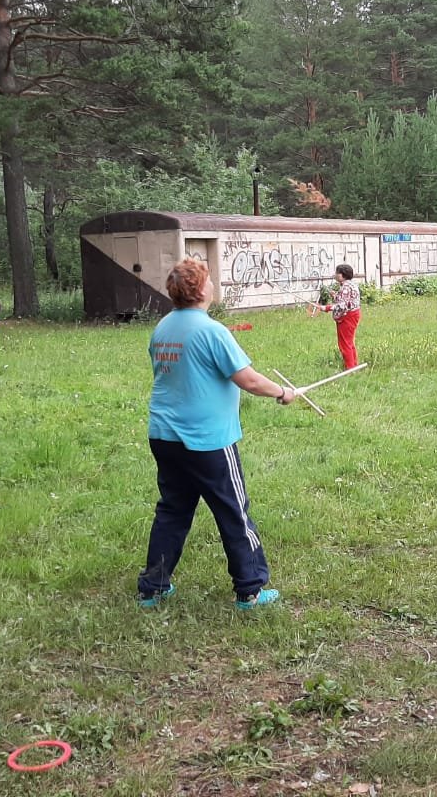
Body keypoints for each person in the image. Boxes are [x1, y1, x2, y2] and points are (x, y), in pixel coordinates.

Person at [138, 258, 297, 611]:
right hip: (206, 440)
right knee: (234, 512)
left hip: (164, 436)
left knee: (173, 511)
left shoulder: (163, 328)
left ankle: (153, 588)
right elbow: (249, 380)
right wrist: (283, 392)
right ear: (199, 289)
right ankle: (251, 590)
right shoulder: (212, 331)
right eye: (209, 280)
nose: (213, 284)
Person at [320, 263, 361, 369]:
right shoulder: (351, 285)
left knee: (345, 344)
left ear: (342, 275)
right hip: (353, 315)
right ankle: (354, 365)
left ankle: (350, 369)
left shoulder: (345, 287)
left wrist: (327, 308)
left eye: (337, 273)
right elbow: (346, 300)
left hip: (347, 317)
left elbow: (343, 305)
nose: (335, 275)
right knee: (349, 342)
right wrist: (336, 296)